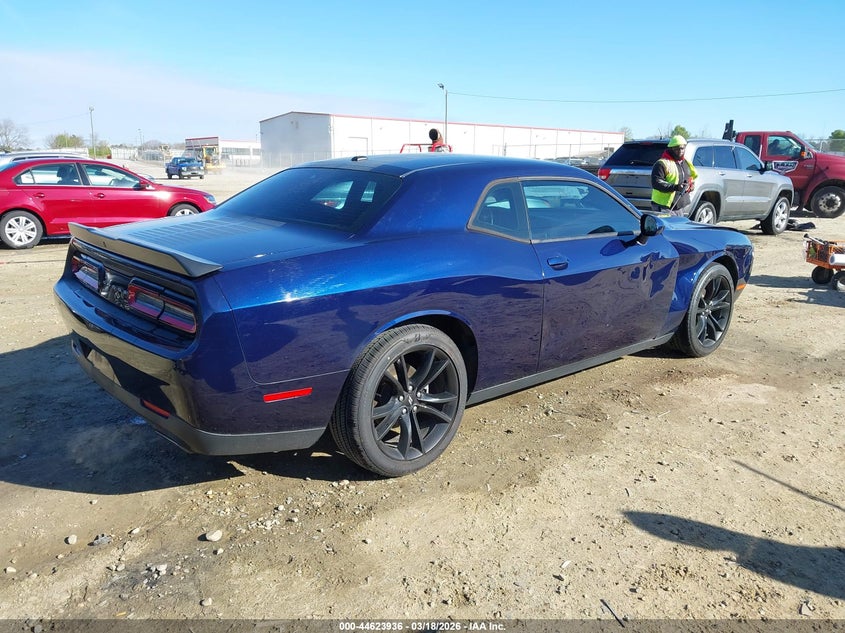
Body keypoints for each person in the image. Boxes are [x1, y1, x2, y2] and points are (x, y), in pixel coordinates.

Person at [651, 135, 697, 216]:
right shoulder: (662, 163)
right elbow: (656, 183)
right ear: (670, 149)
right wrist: (676, 187)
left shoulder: (686, 162)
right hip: (664, 206)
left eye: (682, 148)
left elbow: (690, 177)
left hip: (679, 206)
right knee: (665, 228)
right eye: (676, 148)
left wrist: (691, 185)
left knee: (677, 228)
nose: (680, 151)